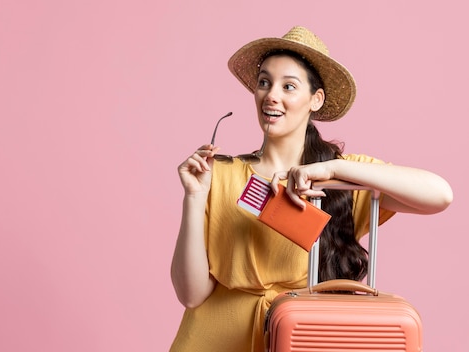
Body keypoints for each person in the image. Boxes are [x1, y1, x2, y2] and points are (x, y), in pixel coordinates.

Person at [169, 26, 453, 352]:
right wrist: (193, 195)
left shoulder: (342, 178)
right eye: (264, 82)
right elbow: (190, 294)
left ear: (315, 100)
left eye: (289, 86)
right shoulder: (218, 174)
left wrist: (334, 169)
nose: (271, 95)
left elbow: (440, 194)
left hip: (300, 337)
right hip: (212, 340)